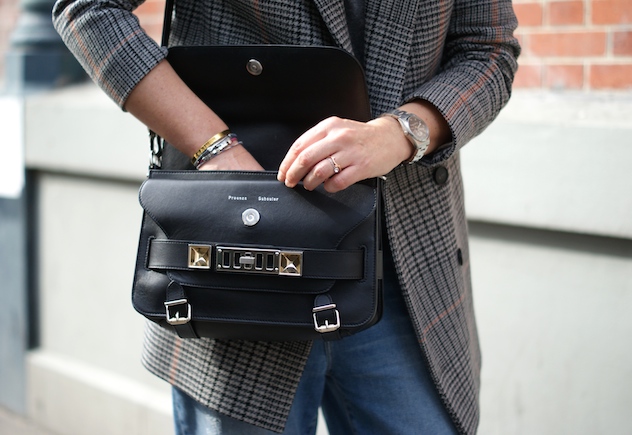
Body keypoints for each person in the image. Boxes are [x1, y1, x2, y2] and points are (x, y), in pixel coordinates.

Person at [53, 0, 519, 433]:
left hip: (406, 269)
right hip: (232, 269)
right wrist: (214, 147)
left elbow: (487, 49)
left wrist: (402, 132)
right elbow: (88, 8)